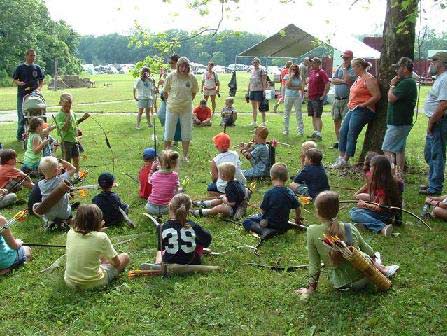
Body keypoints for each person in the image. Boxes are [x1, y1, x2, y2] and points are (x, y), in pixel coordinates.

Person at [295, 191, 399, 297]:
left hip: (341, 284)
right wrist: (373, 258)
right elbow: (366, 249)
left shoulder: (312, 231)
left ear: (317, 211)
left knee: (372, 255)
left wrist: (311, 289)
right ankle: (382, 268)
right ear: (337, 209)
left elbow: (314, 264)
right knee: (374, 255)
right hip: (365, 276)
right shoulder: (349, 227)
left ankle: (382, 267)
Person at [64, 204, 130, 289]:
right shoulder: (101, 237)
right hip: (94, 283)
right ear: (98, 221)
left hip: (70, 282)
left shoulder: (70, 232)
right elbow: (117, 263)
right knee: (125, 257)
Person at [331, 58, 381, 168]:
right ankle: (341, 158)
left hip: (363, 109)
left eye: (353, 66)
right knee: (343, 131)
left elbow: (377, 96)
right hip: (353, 108)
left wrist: (364, 104)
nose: (352, 69)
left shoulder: (369, 79)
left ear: (359, 66)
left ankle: (346, 159)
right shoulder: (359, 78)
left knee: (351, 133)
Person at [146, 193, 211, 266]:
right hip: (192, 262)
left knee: (164, 247)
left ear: (170, 206)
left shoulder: (161, 227)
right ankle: (190, 247)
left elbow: (161, 248)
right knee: (199, 238)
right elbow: (207, 240)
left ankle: (158, 262)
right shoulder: (194, 226)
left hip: (169, 261)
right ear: (189, 210)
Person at [242, 163, 302, 240]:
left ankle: (264, 230)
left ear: (272, 177)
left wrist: (261, 210)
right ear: (286, 178)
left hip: (270, 223)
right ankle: (287, 225)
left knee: (247, 221)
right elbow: (298, 208)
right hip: (282, 224)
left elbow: (263, 211)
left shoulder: (269, 193)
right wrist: (297, 218)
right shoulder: (290, 192)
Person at [382, 57, 418, 174]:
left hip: (398, 122)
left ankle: (391, 175)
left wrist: (392, 85)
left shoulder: (407, 83)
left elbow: (391, 98)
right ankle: (399, 174)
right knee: (399, 149)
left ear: (404, 69)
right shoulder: (407, 82)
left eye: (398, 68)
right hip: (403, 121)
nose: (396, 71)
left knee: (387, 149)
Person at [349, 155, 401, 237]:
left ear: (377, 169)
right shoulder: (381, 179)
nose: (370, 168)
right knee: (354, 210)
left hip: (385, 214)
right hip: (384, 212)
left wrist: (365, 205)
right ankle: (366, 225)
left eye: (371, 166)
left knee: (355, 214)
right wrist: (358, 194)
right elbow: (367, 186)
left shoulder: (383, 186)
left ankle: (382, 227)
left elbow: (380, 208)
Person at [420, 51, 447, 196]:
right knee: (429, 154)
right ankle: (432, 182)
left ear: (442, 64)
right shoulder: (440, 78)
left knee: (436, 154)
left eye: (434, 61)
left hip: (439, 122)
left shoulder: (445, 79)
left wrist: (431, 122)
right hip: (435, 121)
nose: (431, 63)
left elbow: (443, 105)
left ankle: (435, 187)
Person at [163, 57, 199, 162]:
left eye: (186, 66)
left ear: (188, 67)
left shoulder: (192, 77)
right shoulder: (171, 76)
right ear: (178, 66)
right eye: (181, 66)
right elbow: (165, 91)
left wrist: (186, 101)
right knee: (169, 132)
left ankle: (185, 156)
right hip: (172, 108)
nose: (183, 69)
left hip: (186, 109)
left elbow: (193, 92)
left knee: (186, 132)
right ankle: (167, 155)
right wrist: (169, 102)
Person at [12, 49, 44, 141]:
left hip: (35, 95)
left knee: (38, 115)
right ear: (26, 56)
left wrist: (39, 88)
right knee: (22, 116)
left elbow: (41, 80)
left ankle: (38, 135)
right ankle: (20, 137)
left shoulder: (37, 68)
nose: (32, 57)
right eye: (31, 55)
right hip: (22, 95)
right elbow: (15, 79)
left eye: (34, 56)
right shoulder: (20, 67)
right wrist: (19, 83)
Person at [36, 156, 76, 230]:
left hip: (49, 215)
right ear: (56, 170)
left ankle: (52, 222)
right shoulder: (61, 179)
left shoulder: (40, 184)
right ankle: (65, 221)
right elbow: (73, 168)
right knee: (68, 208)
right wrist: (62, 161)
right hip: (64, 213)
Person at [54, 93, 90, 172]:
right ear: (60, 103)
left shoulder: (72, 113)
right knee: (67, 162)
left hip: (74, 140)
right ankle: (65, 177)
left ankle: (76, 175)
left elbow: (74, 123)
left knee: (76, 160)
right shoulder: (59, 115)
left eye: (69, 106)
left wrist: (82, 119)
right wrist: (68, 118)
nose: (67, 108)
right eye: (65, 106)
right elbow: (65, 129)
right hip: (66, 142)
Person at [330, 50, 356, 149]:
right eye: (343, 57)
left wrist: (345, 70)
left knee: (346, 122)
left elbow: (348, 80)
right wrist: (342, 81)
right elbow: (333, 80)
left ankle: (345, 142)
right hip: (337, 99)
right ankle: (339, 141)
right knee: (336, 120)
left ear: (351, 58)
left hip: (347, 100)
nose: (344, 59)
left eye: (346, 58)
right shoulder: (340, 67)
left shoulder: (353, 69)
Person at [146, 150, 179, 216]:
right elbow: (176, 190)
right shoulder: (175, 175)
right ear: (174, 164)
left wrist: (152, 169)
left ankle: (156, 216)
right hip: (167, 209)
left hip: (151, 208)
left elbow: (149, 181)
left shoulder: (155, 174)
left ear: (159, 164)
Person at [158, 55, 182, 144]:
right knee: (161, 115)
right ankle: (168, 135)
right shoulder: (170, 73)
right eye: (169, 63)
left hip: (174, 101)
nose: (170, 64)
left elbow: (177, 86)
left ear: (177, 63)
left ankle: (173, 138)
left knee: (174, 119)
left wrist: (164, 82)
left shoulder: (181, 74)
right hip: (165, 99)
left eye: (171, 63)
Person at [307, 57, 330, 141]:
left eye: (313, 63)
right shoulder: (312, 72)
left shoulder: (322, 72)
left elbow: (327, 83)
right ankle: (315, 132)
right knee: (313, 115)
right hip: (310, 97)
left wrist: (324, 95)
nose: (311, 64)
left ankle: (319, 134)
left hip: (317, 97)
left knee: (317, 116)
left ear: (318, 64)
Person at [283, 64, 304, 136]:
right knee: (286, 114)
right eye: (292, 69)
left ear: (297, 70)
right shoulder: (287, 76)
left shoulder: (299, 77)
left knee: (299, 114)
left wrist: (292, 87)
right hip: (288, 96)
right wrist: (291, 77)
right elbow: (287, 85)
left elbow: (300, 87)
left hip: (297, 97)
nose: (293, 71)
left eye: (295, 69)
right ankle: (285, 130)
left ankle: (300, 131)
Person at [247, 57, 268, 127]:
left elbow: (264, 81)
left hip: (259, 90)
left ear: (259, 63)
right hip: (252, 90)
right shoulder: (252, 70)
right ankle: (254, 121)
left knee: (261, 107)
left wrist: (264, 90)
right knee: (254, 107)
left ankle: (264, 122)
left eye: (256, 62)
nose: (255, 64)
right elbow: (250, 81)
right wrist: (248, 90)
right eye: (254, 62)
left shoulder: (262, 70)